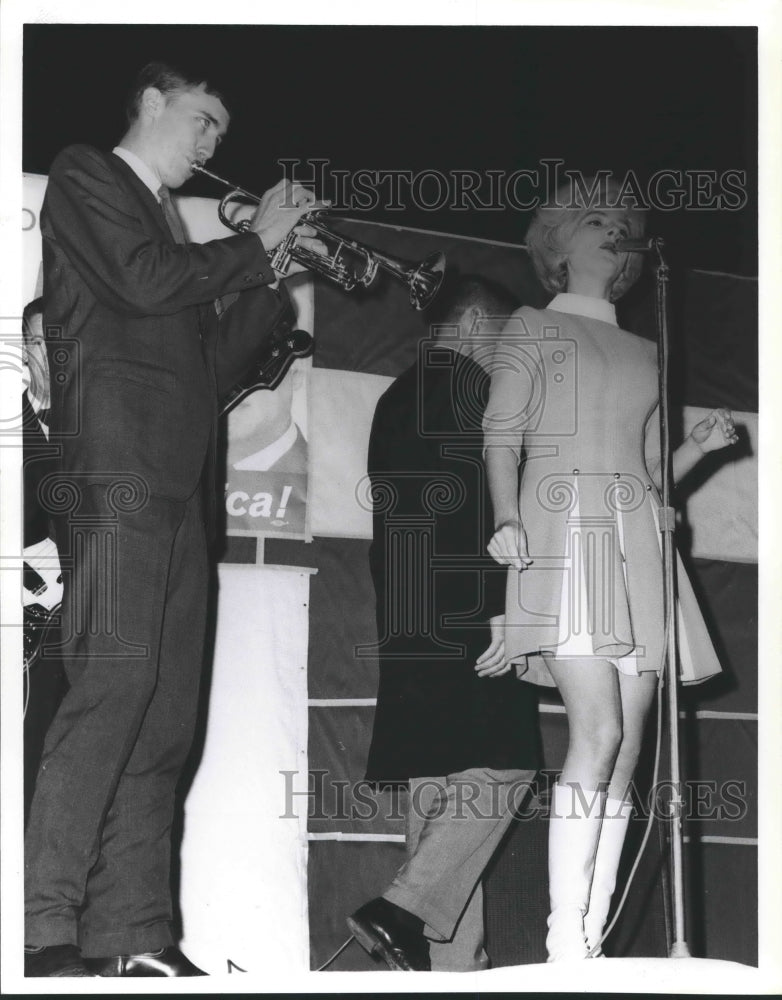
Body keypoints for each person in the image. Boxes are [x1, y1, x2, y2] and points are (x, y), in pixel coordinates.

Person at [24, 60, 325, 978]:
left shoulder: (170, 226)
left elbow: (213, 361)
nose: (210, 143)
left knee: (164, 718)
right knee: (111, 690)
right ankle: (42, 929)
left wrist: (274, 271)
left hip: (180, 484)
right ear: (152, 103)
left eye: (220, 132)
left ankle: (135, 934)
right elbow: (144, 281)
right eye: (202, 119)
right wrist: (253, 238)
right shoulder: (88, 176)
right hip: (117, 472)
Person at [482, 179, 738, 961]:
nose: (611, 230)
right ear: (558, 243)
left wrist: (703, 448)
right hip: (565, 533)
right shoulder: (530, 326)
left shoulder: (646, 348)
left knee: (627, 749)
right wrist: (505, 517)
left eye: (619, 222)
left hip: (636, 540)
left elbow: (654, 469)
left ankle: (589, 938)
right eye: (591, 219)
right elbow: (501, 436)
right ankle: (563, 938)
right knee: (597, 730)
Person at [348, 277, 542, 972]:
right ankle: (401, 909)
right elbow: (475, 512)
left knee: (438, 789)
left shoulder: (397, 397)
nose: (509, 356)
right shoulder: (467, 389)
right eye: (501, 338)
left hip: (408, 610)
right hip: (464, 606)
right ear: (468, 323)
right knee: (507, 761)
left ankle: (447, 972)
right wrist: (502, 605)